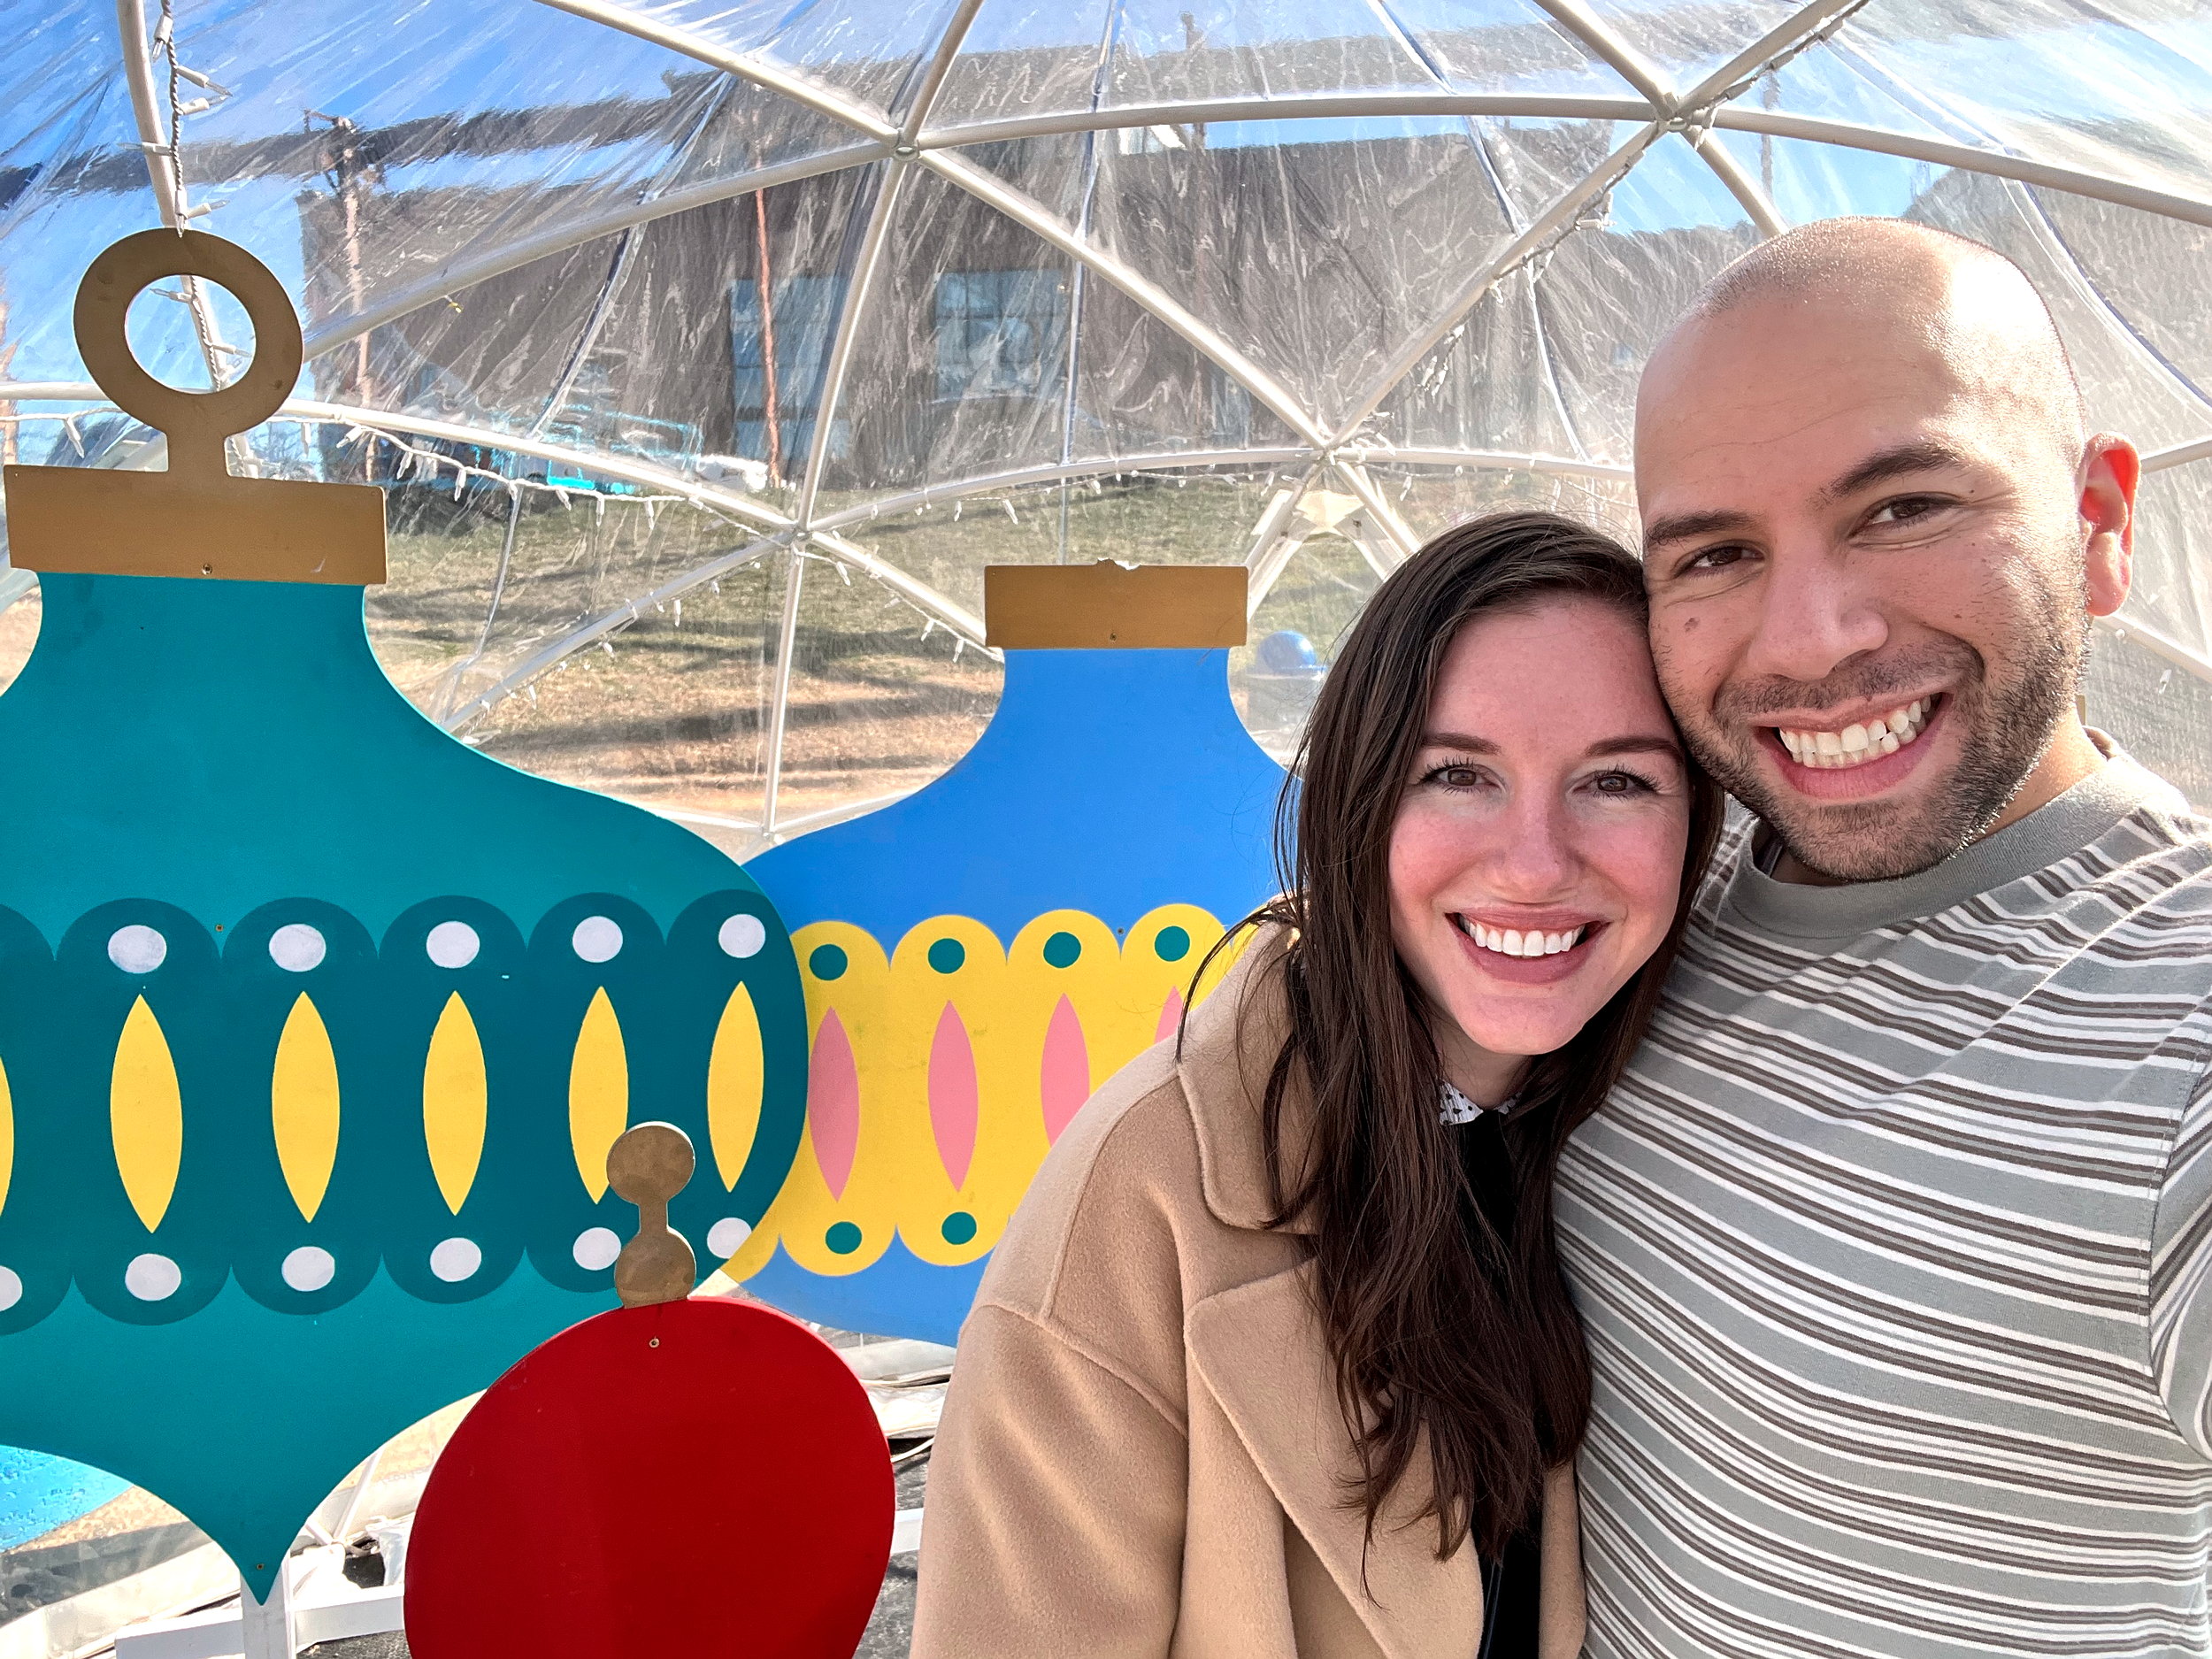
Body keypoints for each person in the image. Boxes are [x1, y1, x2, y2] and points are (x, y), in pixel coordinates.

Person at [1556, 215, 2212, 1657]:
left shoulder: (2176, 1023)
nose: (1806, 640)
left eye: (1904, 508)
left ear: (2100, 525)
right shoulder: (1650, 906)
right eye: (1717, 553)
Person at [913, 511, 1723, 1658]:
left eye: (1619, 781)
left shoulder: (1637, 1122)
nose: (1538, 861)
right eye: (1456, 774)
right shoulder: (1137, 1202)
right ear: (1358, 801)